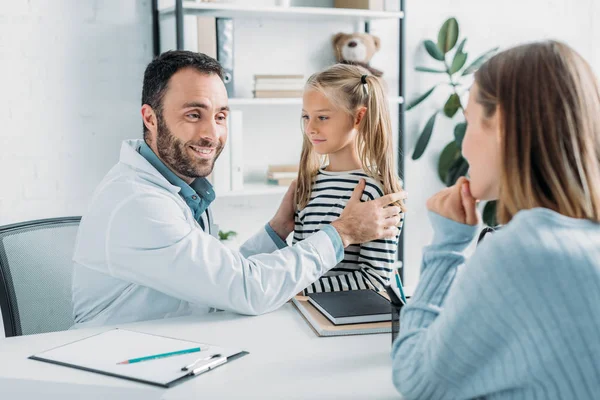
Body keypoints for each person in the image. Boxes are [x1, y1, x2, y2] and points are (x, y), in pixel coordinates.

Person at [71, 51, 406, 328]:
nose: (211, 133)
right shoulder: (138, 203)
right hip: (118, 361)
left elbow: (218, 278)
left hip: (171, 343)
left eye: (220, 116)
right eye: (193, 114)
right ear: (150, 118)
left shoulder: (181, 190)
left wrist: (277, 230)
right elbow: (245, 288)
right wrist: (342, 232)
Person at [392, 41, 600, 399]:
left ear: (501, 123)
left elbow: (416, 381)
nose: (464, 147)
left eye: (469, 121)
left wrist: (446, 246)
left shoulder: (525, 252)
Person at [294, 64, 406, 294]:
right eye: (306, 117)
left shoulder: (376, 191)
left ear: (358, 117)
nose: (310, 128)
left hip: (347, 323)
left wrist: (298, 290)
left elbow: (375, 279)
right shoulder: (309, 183)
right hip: (305, 313)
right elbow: (299, 262)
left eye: (322, 117)